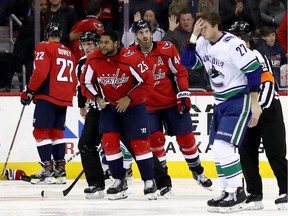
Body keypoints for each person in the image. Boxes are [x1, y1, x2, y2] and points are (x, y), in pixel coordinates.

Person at [181, 12, 262, 213]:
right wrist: (193, 38)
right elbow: (187, 63)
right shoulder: (201, 43)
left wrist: (255, 103)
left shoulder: (232, 44)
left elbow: (254, 70)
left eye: (204, 26)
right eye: (199, 27)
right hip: (219, 102)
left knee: (223, 146)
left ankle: (237, 192)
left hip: (237, 99)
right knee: (216, 150)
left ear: (216, 25)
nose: (201, 30)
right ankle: (226, 189)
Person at [130, 20, 212, 190]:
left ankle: (197, 171)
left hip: (171, 102)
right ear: (135, 36)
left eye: (146, 31)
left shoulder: (166, 48)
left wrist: (183, 94)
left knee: (187, 139)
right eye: (140, 33)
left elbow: (180, 72)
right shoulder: (130, 55)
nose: (144, 35)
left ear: (151, 32)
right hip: (147, 107)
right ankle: (163, 177)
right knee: (155, 140)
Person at [80, 30, 157, 200]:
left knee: (139, 144)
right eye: (101, 42)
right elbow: (85, 83)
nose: (102, 46)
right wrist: (97, 97)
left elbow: (148, 81)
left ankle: (149, 181)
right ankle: (118, 180)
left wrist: (129, 98)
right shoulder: (93, 59)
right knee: (109, 142)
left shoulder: (132, 57)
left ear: (116, 44)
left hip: (133, 107)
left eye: (106, 42)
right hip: (110, 108)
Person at [226, 21, 288, 211]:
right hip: (248, 110)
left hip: (268, 109)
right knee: (246, 152)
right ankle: (254, 194)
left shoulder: (255, 56)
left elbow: (268, 82)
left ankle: (286, 190)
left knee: (275, 152)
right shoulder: (230, 59)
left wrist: (258, 107)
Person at [20, 22, 77, 184]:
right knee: (56, 132)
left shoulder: (44, 47)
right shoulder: (68, 52)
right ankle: (60, 171)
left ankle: (48, 169)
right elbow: (73, 79)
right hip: (64, 96)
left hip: (48, 95)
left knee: (40, 132)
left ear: (46, 35)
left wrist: (30, 91)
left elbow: (40, 72)